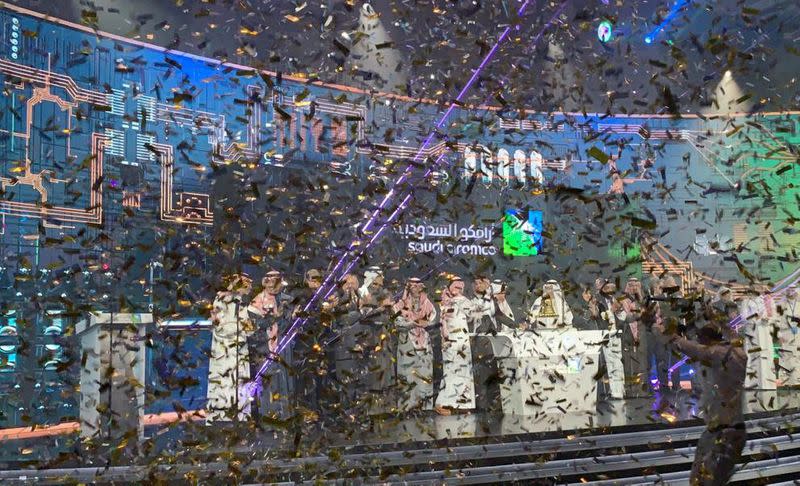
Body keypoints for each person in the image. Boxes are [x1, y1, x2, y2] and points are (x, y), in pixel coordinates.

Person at [653, 298, 747, 486]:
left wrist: (664, 332)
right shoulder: (737, 352)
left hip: (726, 435)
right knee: (697, 479)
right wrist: (713, 317)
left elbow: (693, 348)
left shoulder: (719, 354)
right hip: (714, 432)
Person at [206, 273, 254, 422]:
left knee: (238, 382)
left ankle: (240, 416)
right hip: (225, 351)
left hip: (238, 351)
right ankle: (221, 417)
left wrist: (247, 327)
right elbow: (220, 327)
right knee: (224, 383)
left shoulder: (242, 304)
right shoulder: (221, 300)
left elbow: (249, 329)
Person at [247, 270, 292, 420]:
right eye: (272, 283)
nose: (275, 287)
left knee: (285, 385)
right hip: (265, 351)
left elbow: (289, 324)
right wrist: (273, 319)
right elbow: (255, 328)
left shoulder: (286, 300)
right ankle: (268, 419)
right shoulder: (256, 302)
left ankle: (285, 417)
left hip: (284, 348)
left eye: (278, 283)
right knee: (268, 386)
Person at [357, 266, 397, 414]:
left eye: (380, 285)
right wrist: (380, 308)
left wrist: (390, 308)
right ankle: (372, 409)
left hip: (384, 337)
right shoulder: (363, 293)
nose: (378, 287)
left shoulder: (385, 295)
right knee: (373, 373)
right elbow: (363, 315)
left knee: (386, 371)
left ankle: (386, 408)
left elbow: (391, 317)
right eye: (375, 284)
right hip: (369, 337)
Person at [394, 277, 437, 412]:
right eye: (413, 287)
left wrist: (426, 323)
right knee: (408, 374)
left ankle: (425, 407)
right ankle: (407, 408)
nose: (417, 290)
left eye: (419, 287)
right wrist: (411, 323)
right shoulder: (401, 304)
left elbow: (433, 319)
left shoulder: (427, 303)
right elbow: (397, 321)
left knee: (425, 374)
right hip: (407, 341)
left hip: (424, 342)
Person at [435, 277, 476, 415]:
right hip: (449, 341)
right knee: (450, 371)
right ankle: (443, 403)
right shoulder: (445, 302)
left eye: (460, 287)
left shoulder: (464, 301)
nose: (458, 290)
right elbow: (442, 323)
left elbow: (473, 316)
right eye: (455, 287)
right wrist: (443, 339)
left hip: (462, 341)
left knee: (464, 371)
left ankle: (462, 404)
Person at [595, 279, 626, 400]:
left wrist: (618, 309)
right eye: (606, 288)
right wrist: (611, 311)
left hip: (616, 336)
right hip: (605, 336)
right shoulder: (598, 301)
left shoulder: (614, 299)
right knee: (610, 364)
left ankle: (619, 391)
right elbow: (600, 318)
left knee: (617, 364)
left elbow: (622, 317)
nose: (609, 290)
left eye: (610, 288)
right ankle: (614, 391)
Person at [621, 277, 649, 398]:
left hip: (642, 334)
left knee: (642, 363)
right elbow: (626, 317)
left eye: (636, 285)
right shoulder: (623, 300)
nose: (633, 288)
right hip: (628, 335)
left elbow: (648, 314)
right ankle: (630, 390)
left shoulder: (643, 300)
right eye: (631, 285)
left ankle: (643, 390)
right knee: (629, 364)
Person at [777, 284, 800, 387]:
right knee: (785, 356)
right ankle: (784, 380)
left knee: (797, 356)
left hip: (798, 333)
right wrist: (778, 334)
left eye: (793, 290)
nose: (792, 292)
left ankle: (796, 380)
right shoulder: (781, 304)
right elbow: (776, 320)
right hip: (785, 333)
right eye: (790, 290)